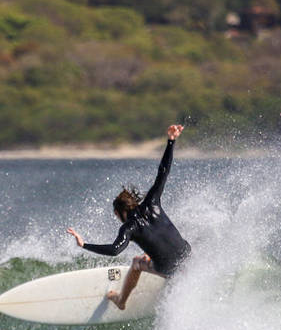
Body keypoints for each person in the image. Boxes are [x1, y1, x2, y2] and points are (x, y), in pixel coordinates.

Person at [66, 124, 191, 309]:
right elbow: (163, 172)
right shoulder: (152, 202)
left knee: (136, 262)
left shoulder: (128, 228)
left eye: (116, 215)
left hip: (170, 268)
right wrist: (171, 141)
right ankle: (174, 269)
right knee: (158, 250)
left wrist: (84, 244)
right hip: (187, 255)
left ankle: (121, 301)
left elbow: (115, 250)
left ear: (119, 212)